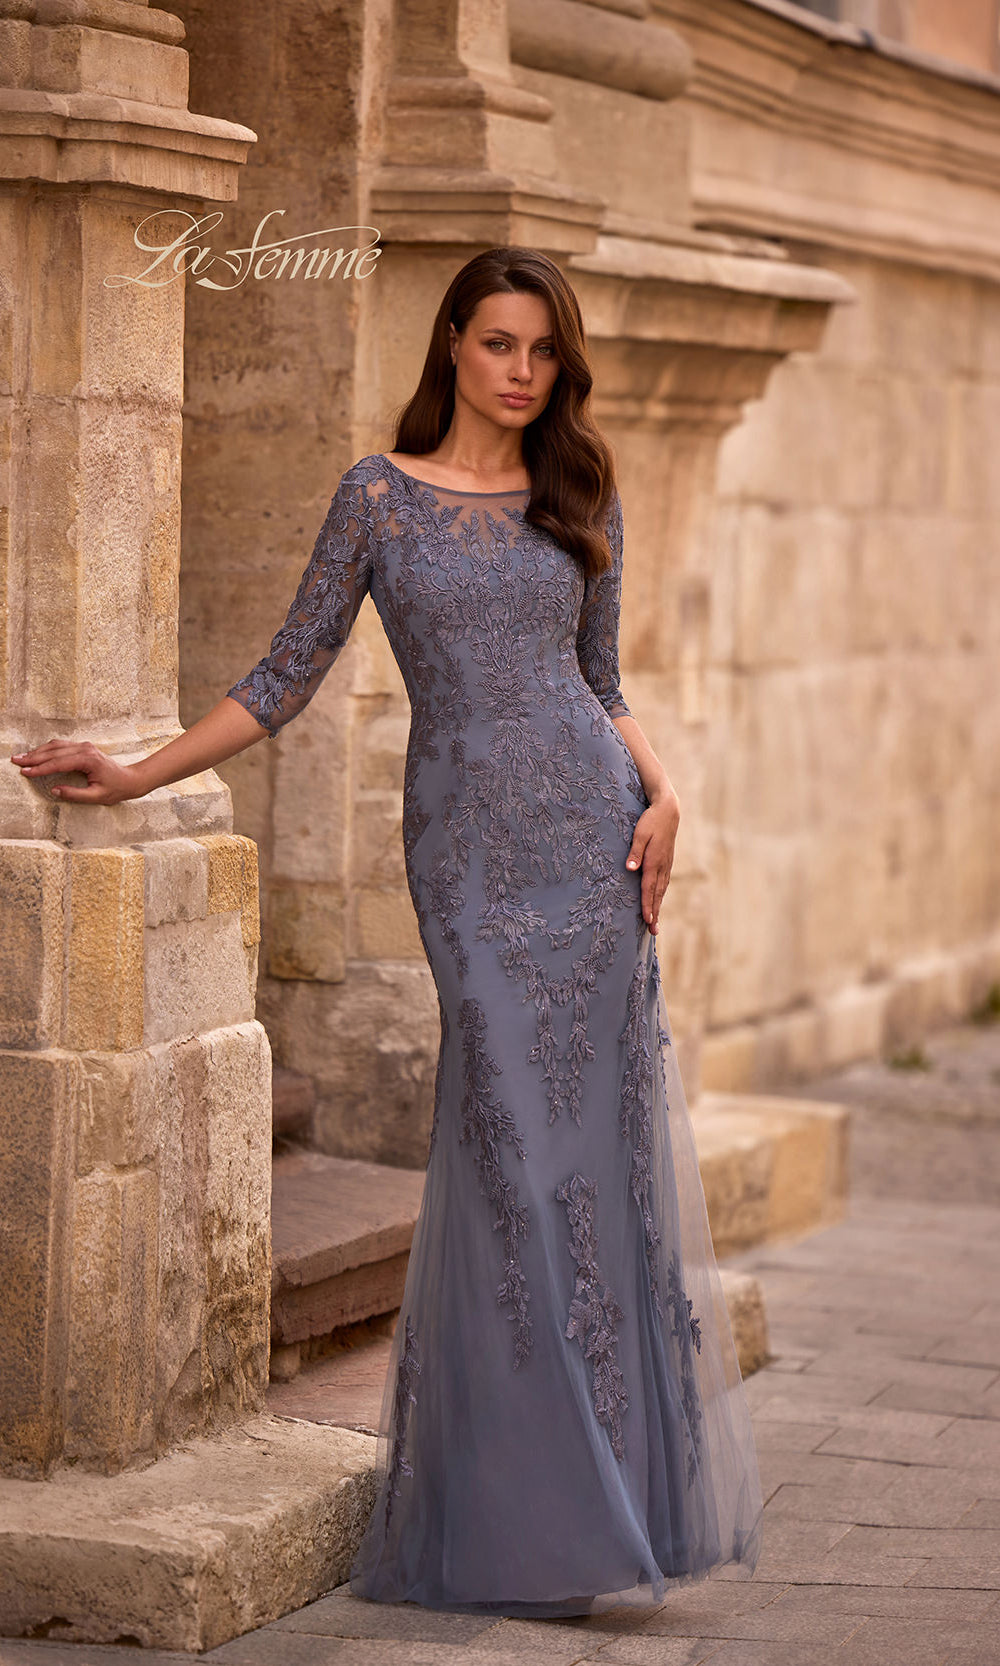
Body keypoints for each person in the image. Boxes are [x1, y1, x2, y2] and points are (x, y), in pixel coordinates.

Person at [10, 246, 764, 1617]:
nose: (523, 371)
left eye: (542, 349)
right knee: (512, 1155)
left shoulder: (576, 490)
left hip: (591, 855)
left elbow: (601, 682)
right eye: (498, 344)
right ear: (454, 346)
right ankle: (538, 1507)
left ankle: (603, 1505)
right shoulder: (379, 496)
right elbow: (284, 674)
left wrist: (667, 790)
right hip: (471, 860)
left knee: (591, 1168)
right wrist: (136, 770)